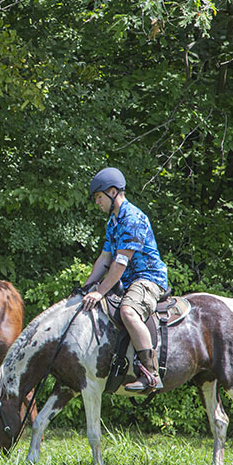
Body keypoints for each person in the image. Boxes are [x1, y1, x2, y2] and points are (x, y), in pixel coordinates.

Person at [79, 167, 169, 393]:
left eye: (99, 198)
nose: (97, 203)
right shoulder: (113, 222)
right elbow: (105, 258)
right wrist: (88, 286)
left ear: (111, 192)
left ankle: (151, 374)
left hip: (147, 279)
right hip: (127, 281)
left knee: (128, 311)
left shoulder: (133, 218)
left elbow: (120, 263)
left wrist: (100, 292)